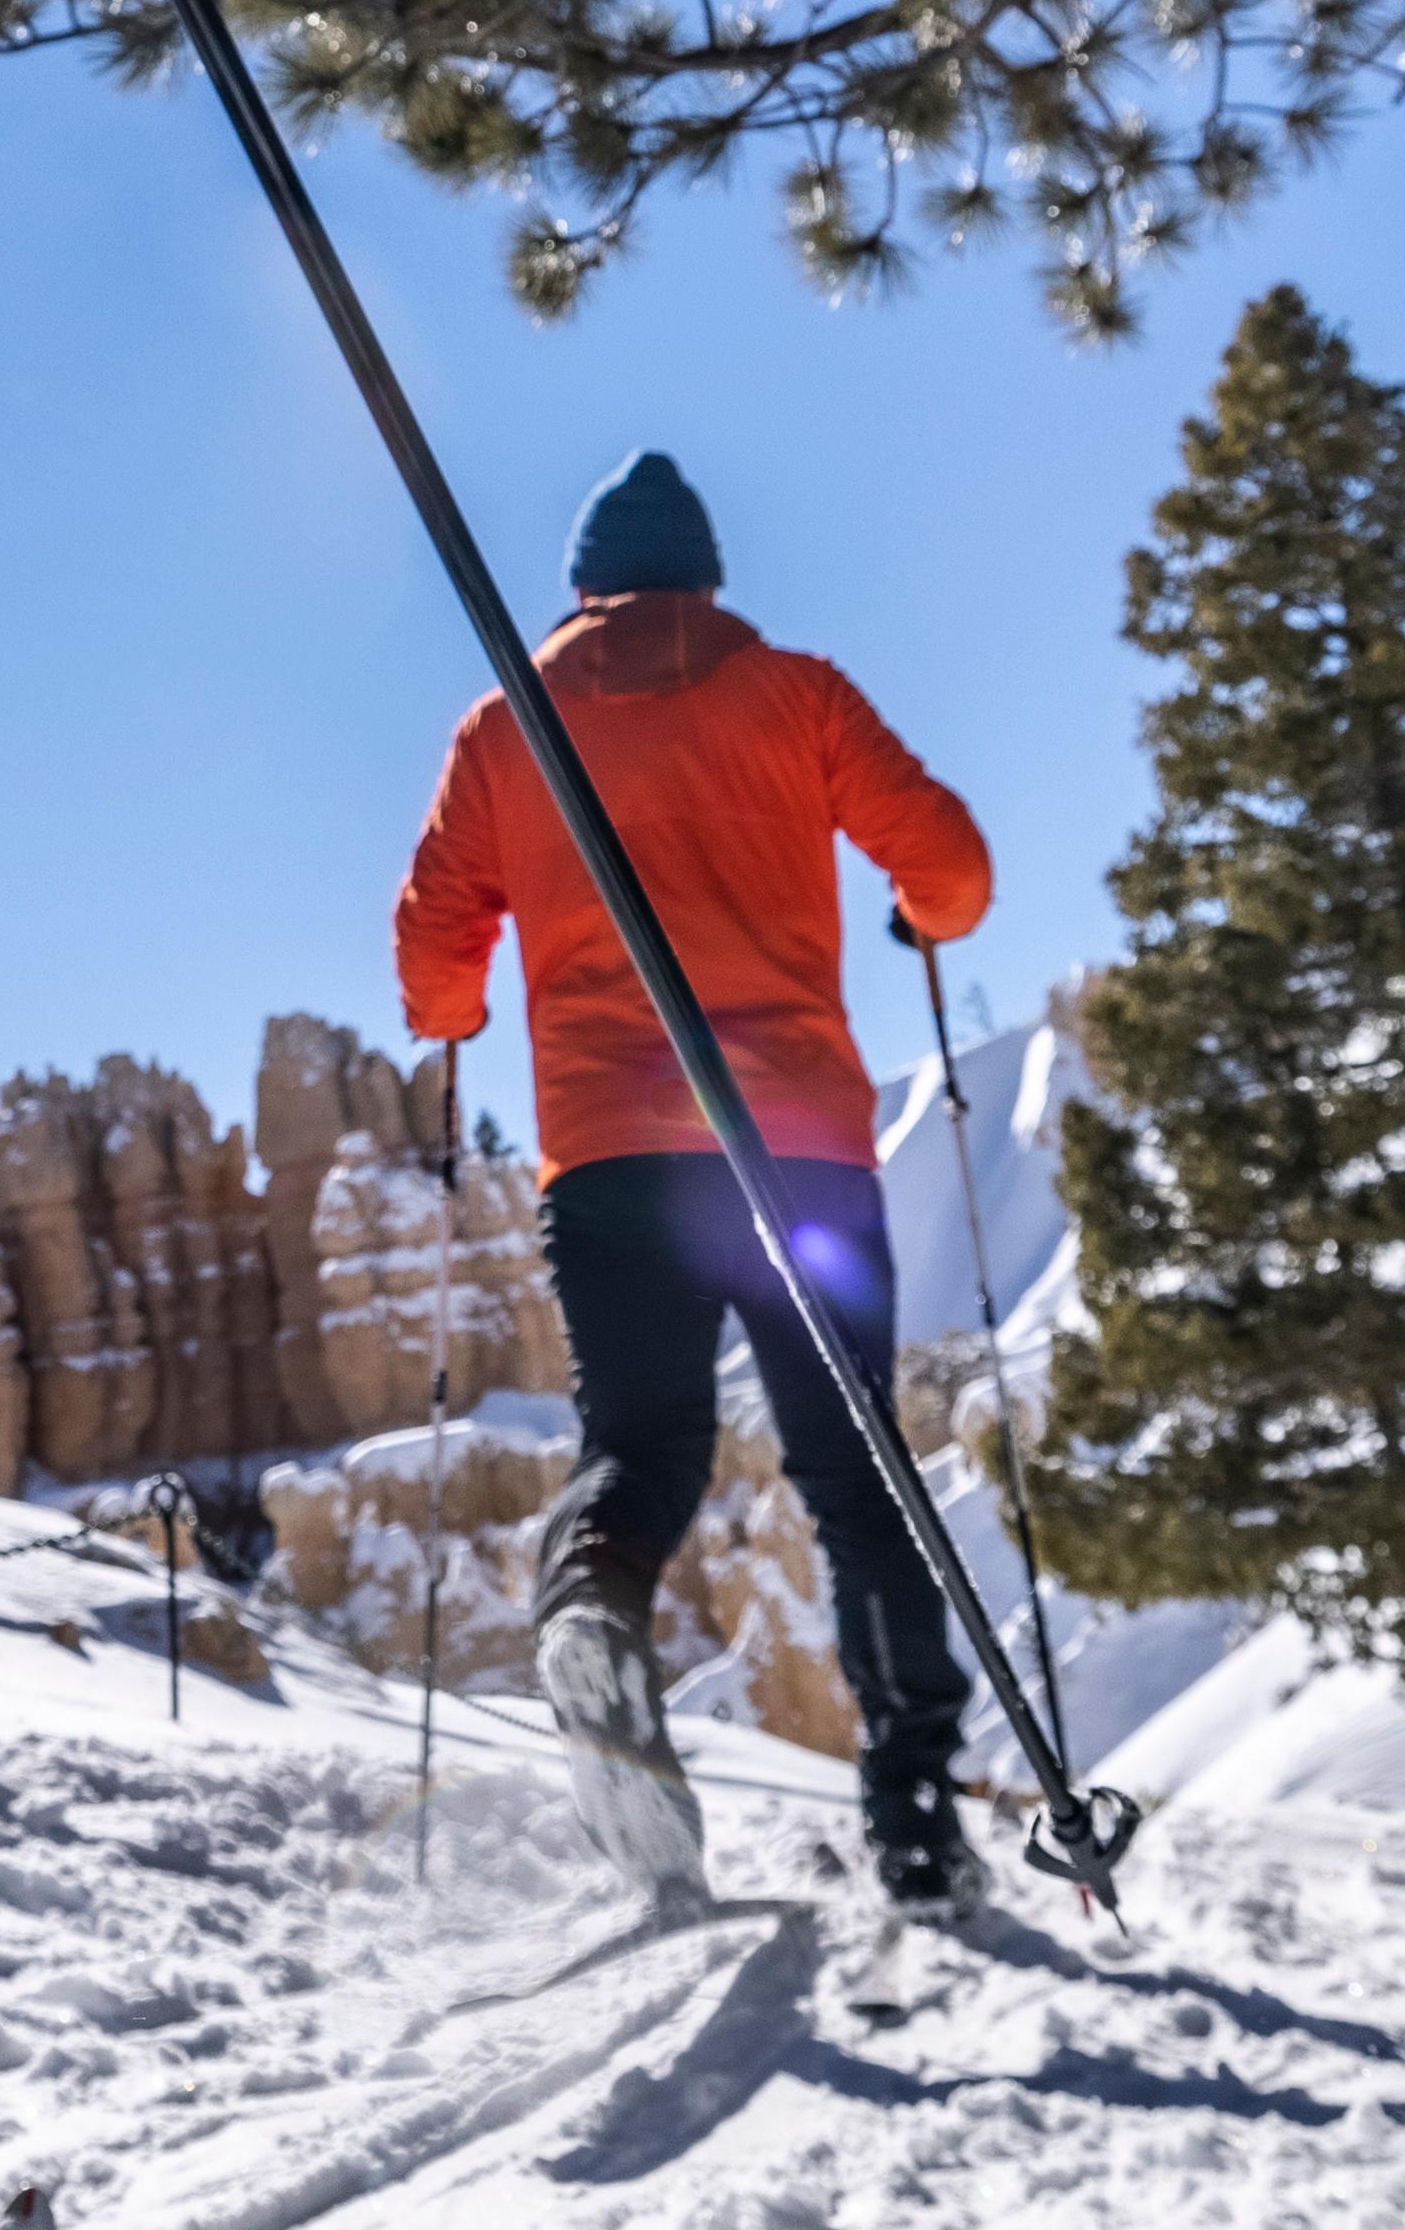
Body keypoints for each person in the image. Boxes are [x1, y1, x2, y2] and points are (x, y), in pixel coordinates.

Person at [391, 449, 994, 1911]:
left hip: (609, 1164)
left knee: (643, 1444)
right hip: (795, 1157)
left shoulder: (504, 728)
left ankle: (592, 1603)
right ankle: (913, 1819)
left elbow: (428, 970)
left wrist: (469, 1007)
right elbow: (954, 873)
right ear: (708, 584)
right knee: (855, 1479)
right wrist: (915, 919)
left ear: (583, 587)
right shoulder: (795, 693)